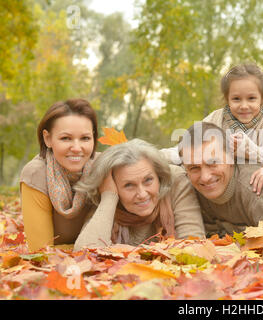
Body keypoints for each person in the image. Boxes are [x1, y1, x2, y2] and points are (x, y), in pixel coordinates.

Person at [161, 63, 263, 188]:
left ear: (262, 98)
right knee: (176, 172)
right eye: (236, 99)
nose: (244, 106)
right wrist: (158, 156)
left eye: (251, 98)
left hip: (259, 183)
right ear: (227, 99)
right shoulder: (216, 118)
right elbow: (192, 148)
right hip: (222, 182)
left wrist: (246, 148)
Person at [73, 139, 205, 251]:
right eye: (129, 185)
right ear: (113, 187)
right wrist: (109, 198)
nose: (142, 194)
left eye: (148, 180)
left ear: (159, 176)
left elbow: (195, 247)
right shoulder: (109, 197)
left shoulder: (175, 181)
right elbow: (84, 252)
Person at [178, 121, 263, 237]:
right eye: (194, 167)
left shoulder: (259, 189)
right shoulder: (190, 193)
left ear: (231, 157)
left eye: (213, 163)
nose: (205, 177)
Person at [19, 98, 99, 251]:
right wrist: (87, 249)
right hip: (57, 270)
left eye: (85, 138)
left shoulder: (104, 168)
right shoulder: (36, 174)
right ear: (48, 138)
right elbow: (41, 252)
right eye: (65, 138)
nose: (76, 148)